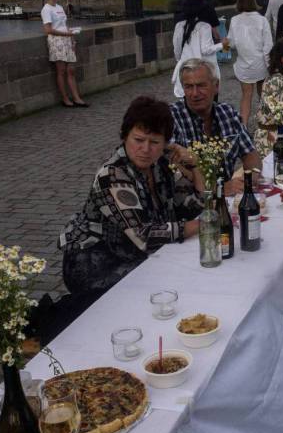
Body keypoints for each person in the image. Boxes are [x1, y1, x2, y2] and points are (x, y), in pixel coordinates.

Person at [58, 96, 204, 295]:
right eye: (138, 140)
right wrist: (204, 224)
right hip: (97, 265)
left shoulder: (160, 165)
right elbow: (144, 235)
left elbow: (195, 205)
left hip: (135, 253)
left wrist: (195, 166)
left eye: (154, 142)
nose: (145, 149)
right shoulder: (112, 175)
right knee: (175, 280)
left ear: (166, 143)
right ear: (125, 136)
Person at [170, 58, 261, 192]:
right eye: (188, 87)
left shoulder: (227, 113)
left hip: (228, 199)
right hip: (191, 200)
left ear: (216, 86)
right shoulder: (171, 118)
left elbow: (250, 155)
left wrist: (249, 179)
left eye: (201, 85)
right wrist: (220, 190)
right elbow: (176, 175)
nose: (195, 93)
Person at [224, 0, 272, 125]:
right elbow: (268, 45)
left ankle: (243, 126)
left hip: (244, 65)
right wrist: (269, 65)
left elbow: (230, 44)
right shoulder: (262, 20)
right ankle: (266, 124)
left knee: (246, 96)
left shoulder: (234, 20)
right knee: (263, 96)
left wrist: (224, 45)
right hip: (261, 64)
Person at [171, 0, 230, 99]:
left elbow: (177, 49)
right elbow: (206, 50)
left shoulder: (180, 25)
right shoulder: (204, 26)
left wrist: (181, 60)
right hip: (204, 68)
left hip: (186, 67)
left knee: (187, 98)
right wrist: (223, 45)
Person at [41, 0, 87, 108]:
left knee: (71, 70)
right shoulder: (46, 9)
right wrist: (67, 34)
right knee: (61, 71)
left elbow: (64, 26)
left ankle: (77, 98)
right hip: (56, 42)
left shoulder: (60, 7)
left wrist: (72, 39)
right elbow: (48, 30)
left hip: (67, 40)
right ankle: (65, 99)